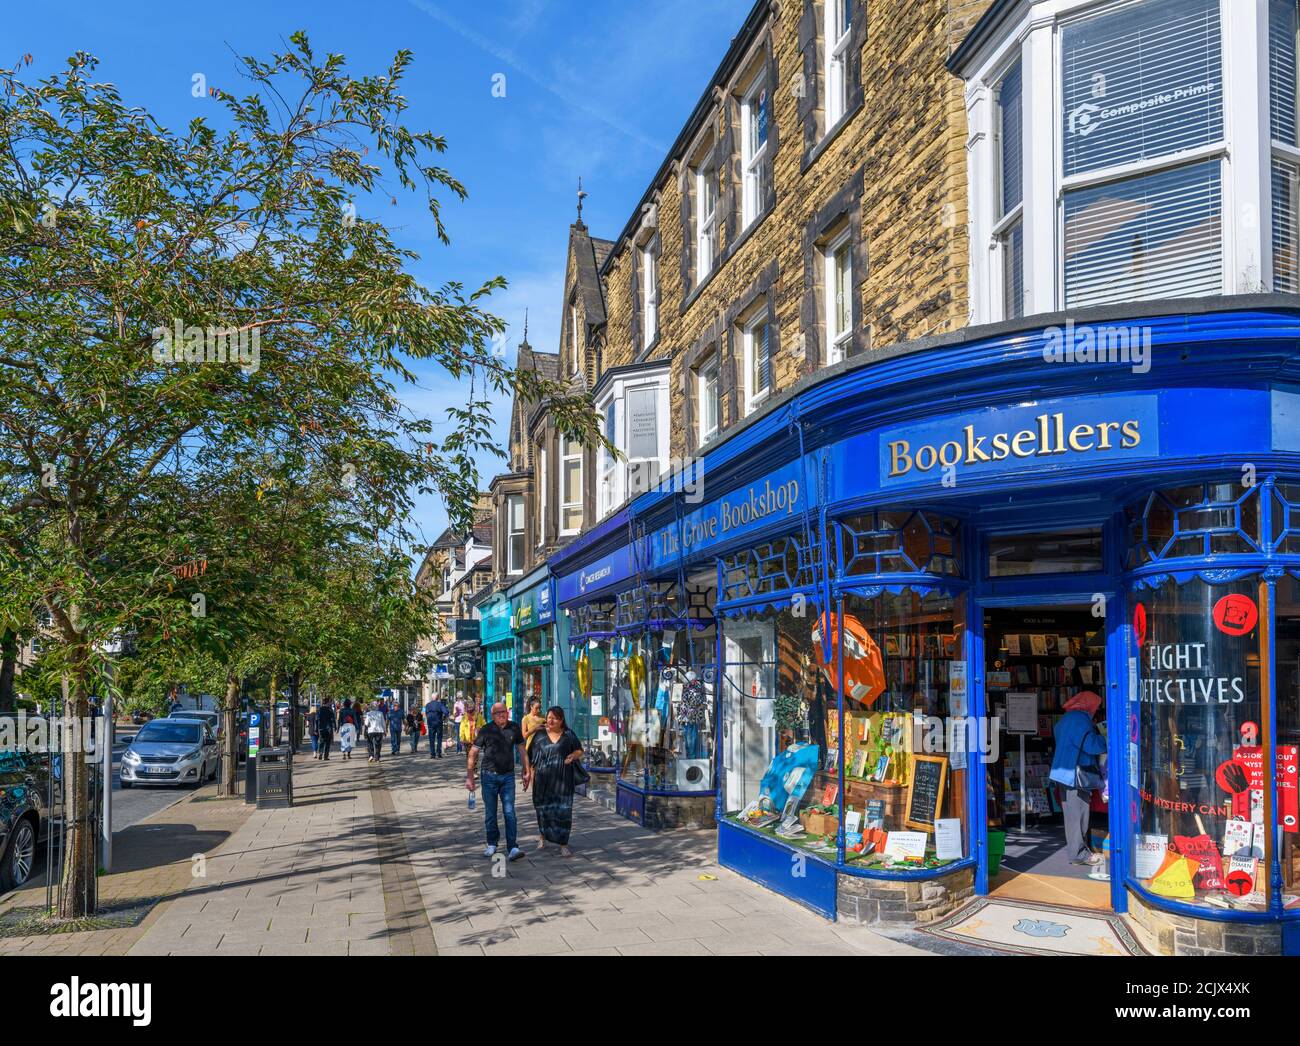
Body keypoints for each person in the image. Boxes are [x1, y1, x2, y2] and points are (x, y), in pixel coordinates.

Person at [1049, 690, 1107, 866]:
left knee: (1071, 816)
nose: (1095, 710)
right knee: (1079, 815)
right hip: (1075, 774)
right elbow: (1091, 746)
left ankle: (1078, 851)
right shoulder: (1081, 721)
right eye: (1095, 706)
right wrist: (1105, 738)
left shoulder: (1065, 719)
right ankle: (1079, 854)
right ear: (1088, 704)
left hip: (1063, 773)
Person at [466, 702, 529, 861]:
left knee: (509, 812)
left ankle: (513, 847)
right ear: (492, 716)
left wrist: (526, 770)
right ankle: (492, 843)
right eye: (497, 713)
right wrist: (469, 776)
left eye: (504, 711)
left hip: (507, 776)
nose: (502, 714)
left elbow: (522, 749)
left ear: (508, 712)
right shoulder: (486, 730)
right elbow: (473, 753)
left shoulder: (514, 727)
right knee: (491, 813)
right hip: (488, 777)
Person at [528, 706, 584, 857]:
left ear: (561, 720)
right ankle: (543, 837)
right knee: (543, 809)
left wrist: (573, 755)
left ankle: (563, 843)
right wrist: (529, 777)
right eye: (549, 717)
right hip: (542, 779)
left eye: (554, 718)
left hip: (563, 779)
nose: (550, 720)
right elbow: (531, 758)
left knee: (564, 810)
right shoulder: (539, 735)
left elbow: (580, 750)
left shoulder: (568, 735)